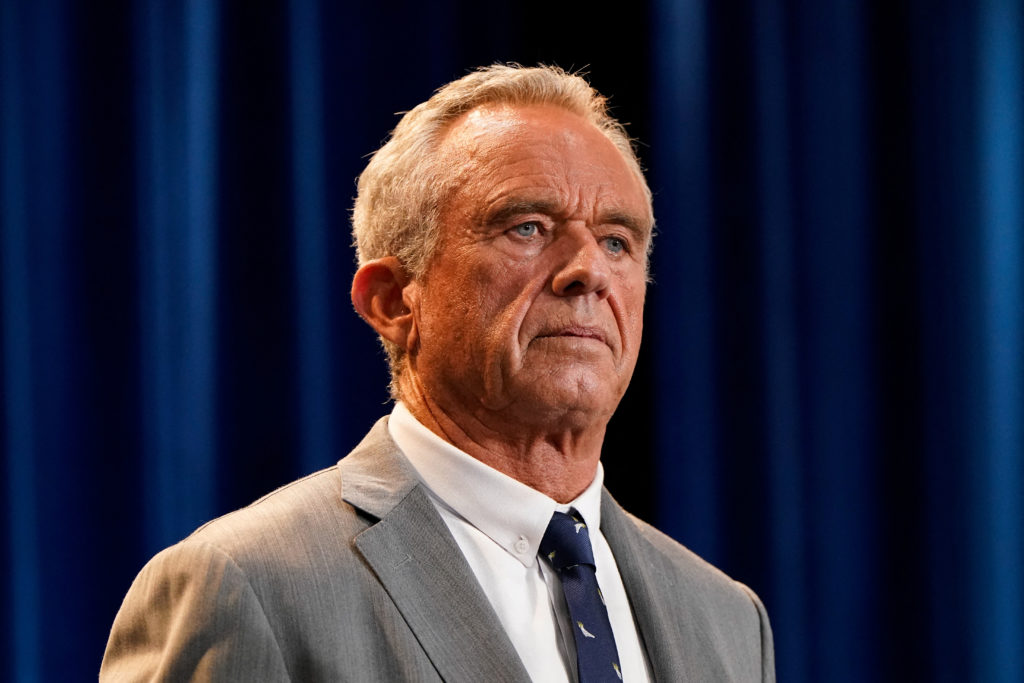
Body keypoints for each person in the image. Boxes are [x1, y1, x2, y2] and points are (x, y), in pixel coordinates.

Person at [101, 64, 775, 682]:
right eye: (528, 227)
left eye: (617, 241)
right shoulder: (248, 586)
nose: (589, 271)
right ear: (394, 301)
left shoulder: (728, 619)